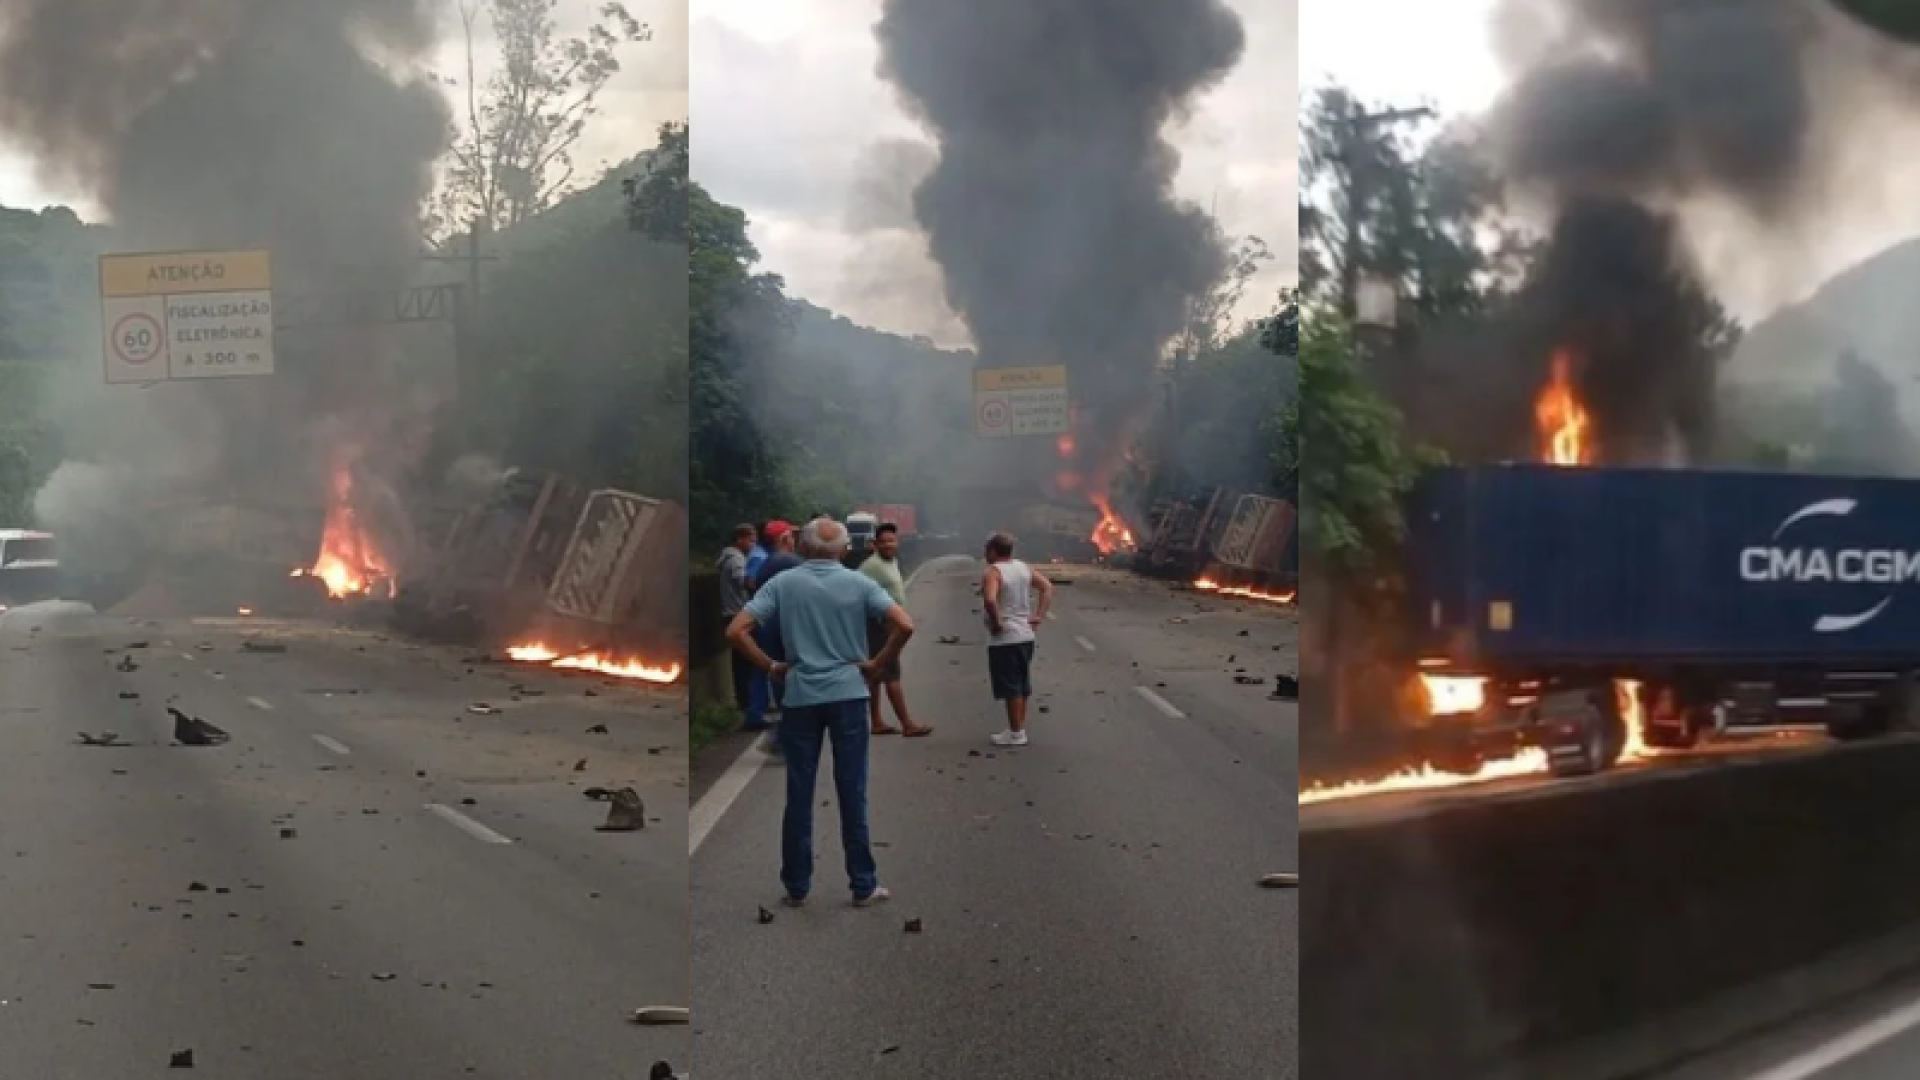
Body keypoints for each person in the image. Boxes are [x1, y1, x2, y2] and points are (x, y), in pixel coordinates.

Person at [727, 517, 913, 908]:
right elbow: (904, 624)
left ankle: (797, 884)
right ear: (845, 550)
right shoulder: (859, 583)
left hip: (799, 697)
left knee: (799, 792)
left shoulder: (783, 583)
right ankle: (863, 884)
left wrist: (769, 666)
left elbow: (736, 630)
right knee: (852, 791)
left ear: (805, 548)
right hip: (848, 694)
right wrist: (877, 663)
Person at [858, 522, 932, 737]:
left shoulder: (891, 562)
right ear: (874, 544)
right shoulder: (870, 566)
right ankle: (907, 724)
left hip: (890, 625)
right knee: (892, 675)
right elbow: (854, 592)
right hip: (880, 625)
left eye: (892, 540)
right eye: (884, 541)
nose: (889, 544)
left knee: (876, 674)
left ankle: (877, 721)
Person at [981, 531, 1052, 747]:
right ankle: (1017, 727)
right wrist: (1038, 615)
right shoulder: (1023, 567)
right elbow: (1047, 587)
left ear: (993, 551)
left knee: (1011, 686)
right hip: (1025, 636)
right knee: (1021, 684)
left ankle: (1016, 733)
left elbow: (991, 601)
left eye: (987, 550)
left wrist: (997, 623)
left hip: (1006, 639)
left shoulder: (993, 572)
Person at [717, 524, 757, 716]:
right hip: (737, 613)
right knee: (744, 661)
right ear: (739, 539)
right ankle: (746, 703)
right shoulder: (735, 558)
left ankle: (745, 701)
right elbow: (743, 580)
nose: (753, 544)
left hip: (732, 613)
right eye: (750, 540)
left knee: (743, 660)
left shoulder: (732, 557)